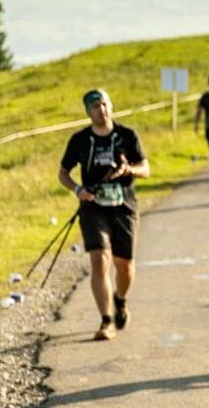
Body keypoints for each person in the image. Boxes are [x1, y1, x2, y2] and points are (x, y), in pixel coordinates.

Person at [57, 88, 152, 341]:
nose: (101, 110)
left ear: (112, 106)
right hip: (93, 208)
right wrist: (78, 190)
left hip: (124, 207)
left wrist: (129, 170)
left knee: (125, 265)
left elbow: (146, 168)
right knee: (99, 260)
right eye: (95, 106)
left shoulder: (127, 136)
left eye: (104, 104)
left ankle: (120, 301)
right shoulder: (80, 140)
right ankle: (106, 320)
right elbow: (63, 173)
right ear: (88, 112)